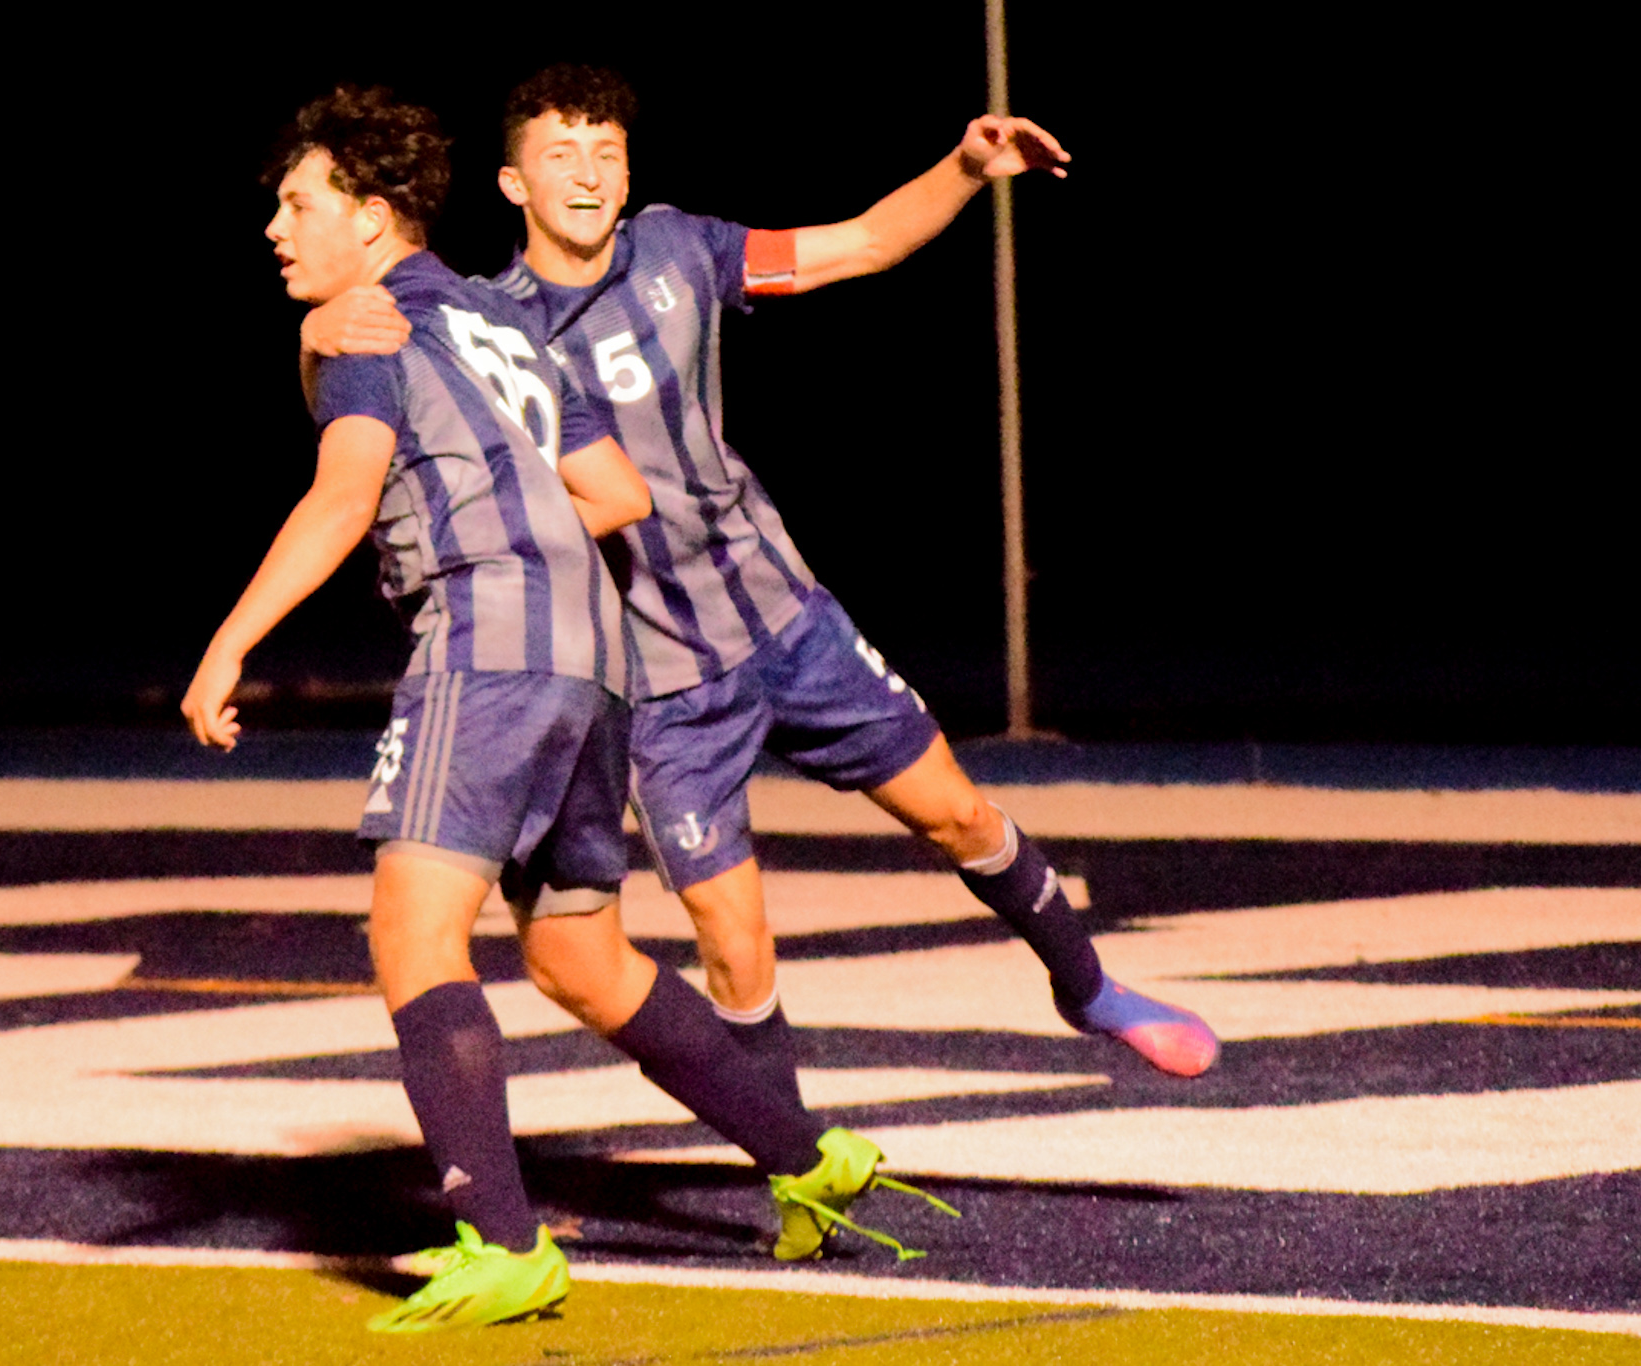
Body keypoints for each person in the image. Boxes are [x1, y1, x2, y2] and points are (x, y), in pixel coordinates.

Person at [301, 67, 1220, 1107]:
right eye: (560, 155)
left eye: (605, 151)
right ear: (513, 185)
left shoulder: (679, 250)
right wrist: (320, 327)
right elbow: (391, 324)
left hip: (786, 620)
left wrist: (965, 169)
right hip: (659, 685)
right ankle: (795, 1174)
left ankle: (1088, 986)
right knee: (733, 943)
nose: (587, 174)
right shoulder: (491, 322)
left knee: (958, 813)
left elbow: (862, 242)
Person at [184, 87, 937, 1335]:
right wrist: (507, 520)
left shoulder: (362, 324)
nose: (275, 224)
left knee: (412, 937)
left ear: (370, 220)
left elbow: (340, 492)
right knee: (578, 957)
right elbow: (615, 492)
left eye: (298, 203)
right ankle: (808, 1155)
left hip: (490, 648)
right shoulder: (496, 321)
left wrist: (228, 646)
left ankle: (506, 1241)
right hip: (596, 656)